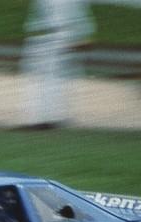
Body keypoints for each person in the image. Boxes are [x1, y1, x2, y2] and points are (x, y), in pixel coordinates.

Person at [22, 0, 95, 129]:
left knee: (50, 78)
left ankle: (45, 119)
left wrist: (82, 35)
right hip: (46, 36)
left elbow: (78, 15)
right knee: (47, 79)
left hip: (58, 36)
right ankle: (46, 118)